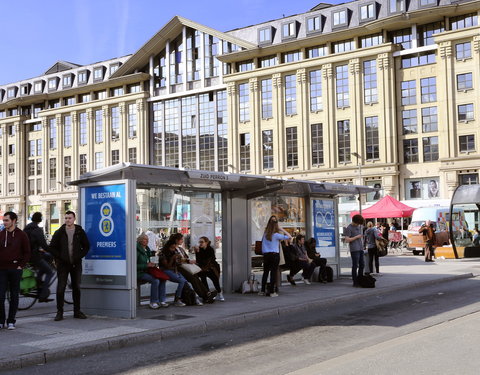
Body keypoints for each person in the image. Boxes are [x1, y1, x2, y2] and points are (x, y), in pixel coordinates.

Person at [49, 211, 90, 321]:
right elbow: (52, 247)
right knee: (61, 288)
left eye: (69, 218)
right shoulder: (60, 232)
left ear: (74, 219)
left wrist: (79, 256)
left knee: (76, 287)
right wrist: (60, 257)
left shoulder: (79, 231)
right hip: (63, 264)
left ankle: (77, 311)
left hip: (76, 264)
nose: (67, 220)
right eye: (66, 218)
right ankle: (59, 312)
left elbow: (86, 246)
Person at [0, 212, 31, 330]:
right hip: (1, 269)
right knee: (0, 296)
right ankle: (1, 320)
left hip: (15, 269)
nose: (5, 222)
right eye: (4, 220)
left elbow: (27, 252)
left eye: (7, 220)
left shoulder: (22, 235)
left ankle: (11, 321)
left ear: (14, 221)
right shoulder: (1, 234)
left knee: (14, 296)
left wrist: (21, 265)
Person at [169, 233, 217, 304]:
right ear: (176, 240)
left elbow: (185, 257)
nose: (182, 240)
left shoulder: (180, 249)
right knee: (192, 278)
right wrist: (187, 261)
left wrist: (188, 260)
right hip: (178, 268)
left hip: (185, 266)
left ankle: (206, 294)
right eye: (181, 239)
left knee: (195, 276)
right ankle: (205, 295)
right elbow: (177, 260)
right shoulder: (172, 249)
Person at [24, 212, 54, 302]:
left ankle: (39, 279)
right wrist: (53, 250)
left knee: (47, 256)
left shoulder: (26, 228)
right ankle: (43, 294)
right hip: (34, 256)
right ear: (39, 219)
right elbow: (44, 245)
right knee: (50, 272)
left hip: (27, 255)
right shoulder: (37, 230)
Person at [260, 215, 292, 297]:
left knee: (265, 273)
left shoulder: (265, 234)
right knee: (273, 273)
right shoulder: (276, 235)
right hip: (274, 255)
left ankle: (262, 290)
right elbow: (289, 237)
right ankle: (271, 292)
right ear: (276, 225)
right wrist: (281, 228)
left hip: (266, 255)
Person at [137, 233, 168, 309]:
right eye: (144, 239)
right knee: (155, 281)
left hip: (148, 271)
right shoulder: (136, 250)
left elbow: (149, 260)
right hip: (139, 273)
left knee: (162, 278)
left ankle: (162, 300)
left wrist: (153, 263)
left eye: (147, 239)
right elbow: (133, 266)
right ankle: (153, 301)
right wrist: (146, 265)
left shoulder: (147, 249)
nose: (146, 241)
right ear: (140, 240)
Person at [194, 236, 224, 301]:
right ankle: (207, 293)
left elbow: (210, 260)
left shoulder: (210, 249)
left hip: (211, 267)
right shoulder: (199, 249)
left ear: (206, 242)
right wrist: (197, 252)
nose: (200, 243)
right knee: (203, 279)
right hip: (203, 268)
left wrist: (202, 263)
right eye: (199, 242)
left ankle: (220, 292)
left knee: (215, 280)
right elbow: (198, 260)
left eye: (202, 242)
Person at [158, 240, 187, 306]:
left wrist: (179, 259)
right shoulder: (163, 253)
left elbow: (178, 263)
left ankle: (181, 298)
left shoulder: (175, 252)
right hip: (165, 270)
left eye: (174, 248)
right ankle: (177, 299)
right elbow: (167, 266)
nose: (174, 249)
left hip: (174, 270)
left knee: (184, 281)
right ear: (169, 246)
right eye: (172, 248)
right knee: (181, 281)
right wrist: (172, 258)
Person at [344, 214, 365, 287]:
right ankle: (355, 282)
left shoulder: (358, 227)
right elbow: (347, 240)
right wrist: (356, 237)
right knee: (355, 265)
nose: (358, 225)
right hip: (354, 249)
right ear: (355, 221)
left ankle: (360, 279)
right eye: (358, 223)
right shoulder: (349, 228)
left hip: (360, 248)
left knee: (362, 265)